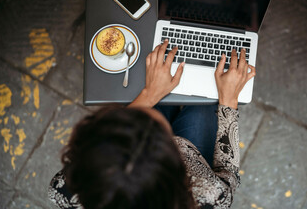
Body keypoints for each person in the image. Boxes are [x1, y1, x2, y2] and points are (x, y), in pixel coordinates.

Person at [48, 40, 255, 209]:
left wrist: (149, 94)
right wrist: (228, 101)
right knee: (204, 103)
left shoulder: (65, 190)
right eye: (160, 131)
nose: (147, 115)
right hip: (195, 153)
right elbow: (227, 174)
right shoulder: (206, 196)